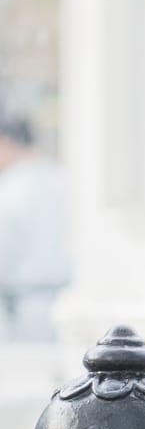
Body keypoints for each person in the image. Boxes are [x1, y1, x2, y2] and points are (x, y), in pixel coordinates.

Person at [0, 103, 68, 337]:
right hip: (69, 306)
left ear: (5, 143)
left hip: (22, 313)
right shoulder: (64, 178)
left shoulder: (9, 190)